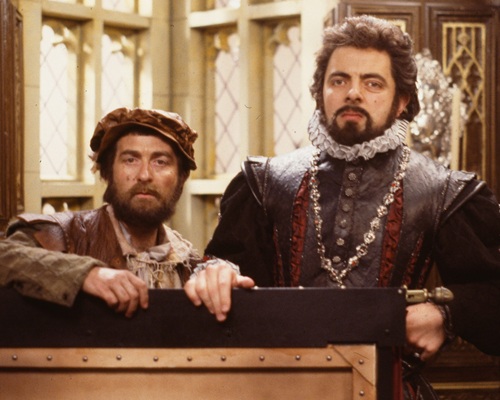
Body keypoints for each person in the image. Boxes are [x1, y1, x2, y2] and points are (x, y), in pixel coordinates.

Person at [184, 15, 500, 399]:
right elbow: (226, 275)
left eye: (372, 83)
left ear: (401, 101)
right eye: (339, 80)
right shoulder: (265, 182)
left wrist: (446, 314)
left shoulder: (443, 191)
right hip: (278, 388)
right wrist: (216, 274)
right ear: (320, 92)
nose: (353, 93)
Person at [0, 107, 234, 318]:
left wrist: (220, 275)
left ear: (181, 178)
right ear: (107, 172)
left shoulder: (185, 257)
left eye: (160, 162)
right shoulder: (62, 234)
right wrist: (85, 274)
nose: (144, 175)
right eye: (130, 160)